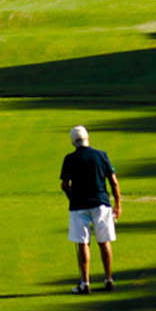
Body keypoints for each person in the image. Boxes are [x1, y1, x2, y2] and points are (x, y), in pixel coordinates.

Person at [60, 123, 121, 293]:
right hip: (101, 203)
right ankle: (108, 279)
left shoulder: (69, 159)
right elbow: (114, 182)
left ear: (73, 142)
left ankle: (85, 283)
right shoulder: (101, 155)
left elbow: (64, 185)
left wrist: (71, 197)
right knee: (104, 241)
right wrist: (118, 203)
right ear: (88, 138)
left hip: (79, 206)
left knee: (83, 243)